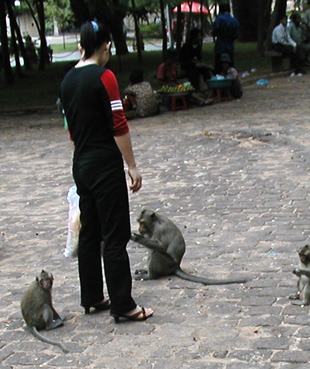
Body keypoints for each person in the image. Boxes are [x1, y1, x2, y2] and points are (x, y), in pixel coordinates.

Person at [60, 21, 153, 322]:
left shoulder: (67, 81)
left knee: (90, 233)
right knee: (115, 235)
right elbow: (118, 124)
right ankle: (124, 305)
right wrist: (132, 165)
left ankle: (91, 296)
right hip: (105, 165)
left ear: (80, 46)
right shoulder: (106, 77)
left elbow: (71, 129)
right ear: (106, 46)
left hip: (82, 164)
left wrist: (81, 160)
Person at [212, 3, 240, 74]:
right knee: (231, 69)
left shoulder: (219, 20)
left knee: (218, 68)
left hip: (220, 47)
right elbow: (236, 35)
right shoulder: (235, 21)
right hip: (230, 48)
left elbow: (214, 32)